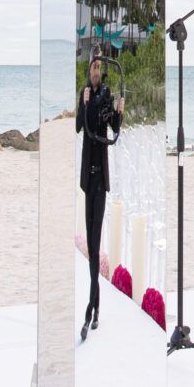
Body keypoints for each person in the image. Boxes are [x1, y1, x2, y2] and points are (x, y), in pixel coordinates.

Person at [78, 54, 122, 343]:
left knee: (95, 240)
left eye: (99, 67)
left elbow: (115, 128)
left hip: (101, 179)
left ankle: (92, 309)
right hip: (87, 177)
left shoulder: (106, 96)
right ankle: (95, 306)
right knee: (93, 248)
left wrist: (119, 112)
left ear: (102, 71)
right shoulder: (84, 95)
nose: (96, 70)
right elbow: (79, 127)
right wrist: (82, 105)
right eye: (93, 67)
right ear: (89, 71)